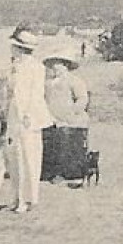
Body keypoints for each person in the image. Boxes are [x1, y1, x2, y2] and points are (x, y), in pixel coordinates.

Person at [2, 27, 54, 213]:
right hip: (14, 116)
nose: (11, 49)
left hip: (29, 118)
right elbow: (9, 93)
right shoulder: (14, 67)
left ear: (21, 48)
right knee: (13, 157)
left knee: (28, 157)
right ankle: (16, 198)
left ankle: (28, 199)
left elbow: (36, 94)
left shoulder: (36, 67)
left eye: (14, 46)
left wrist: (27, 115)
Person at [43, 51, 92, 183]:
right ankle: (49, 171)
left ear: (65, 65)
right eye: (51, 64)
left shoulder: (74, 81)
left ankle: (68, 173)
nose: (54, 67)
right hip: (51, 119)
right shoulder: (47, 83)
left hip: (71, 120)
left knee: (65, 137)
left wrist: (72, 113)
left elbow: (82, 99)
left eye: (57, 64)